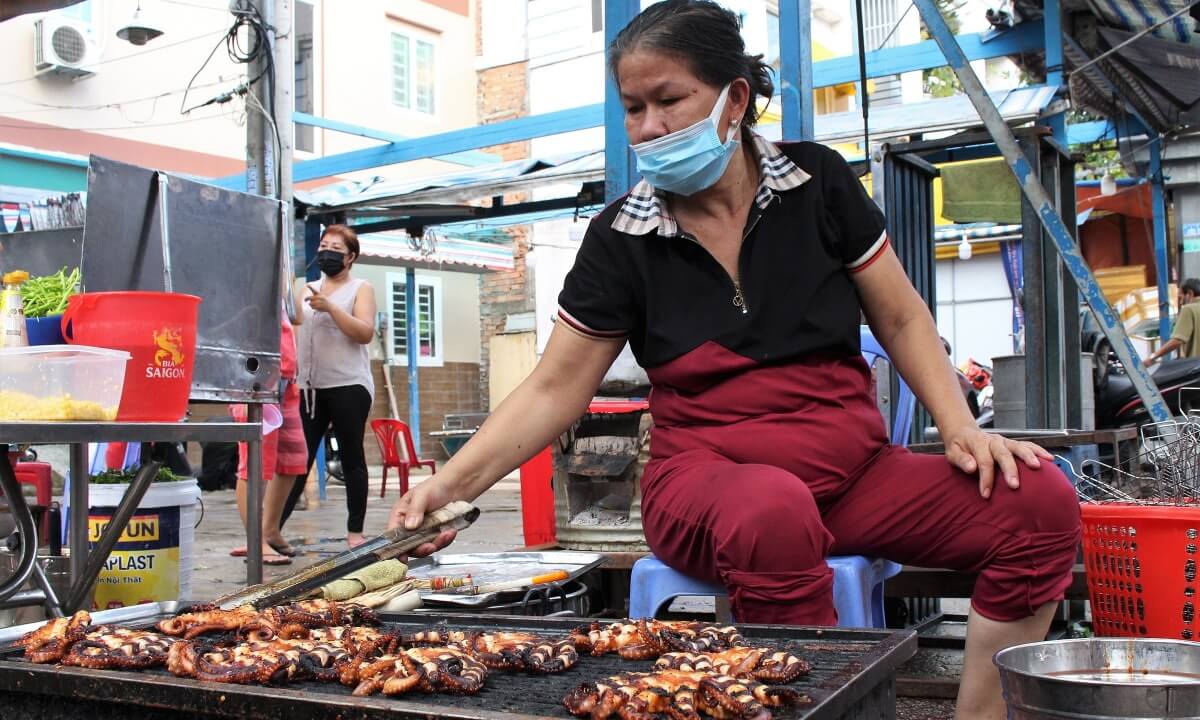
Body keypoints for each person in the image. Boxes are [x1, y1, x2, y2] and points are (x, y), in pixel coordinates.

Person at [388, 3, 1080, 718]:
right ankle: (820, 706)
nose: (650, 126)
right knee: (770, 507)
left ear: (735, 99)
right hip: (708, 491)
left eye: (669, 100)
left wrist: (960, 427)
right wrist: (450, 483)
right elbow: (553, 391)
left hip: (856, 479)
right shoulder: (620, 239)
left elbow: (901, 315)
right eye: (634, 108)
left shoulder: (820, 186)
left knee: (1039, 501)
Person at [283, 224, 377, 548]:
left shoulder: (360, 288)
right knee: (298, 459)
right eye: (324, 245)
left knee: (352, 457)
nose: (327, 252)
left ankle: (355, 532)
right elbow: (292, 327)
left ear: (350, 257)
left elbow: (365, 332)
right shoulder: (306, 288)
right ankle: (271, 533)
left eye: (336, 248)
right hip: (310, 388)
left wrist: (332, 308)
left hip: (349, 384)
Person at [229, 310, 307, 565]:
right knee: (255, 463)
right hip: (256, 376)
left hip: (286, 380)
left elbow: (297, 315)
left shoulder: (281, 278)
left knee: (294, 458)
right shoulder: (249, 277)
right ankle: (256, 541)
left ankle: (270, 530)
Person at [1143, 278, 1200, 365]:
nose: (1181, 303)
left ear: (1190, 294)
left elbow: (1178, 340)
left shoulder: (1189, 309)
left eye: (1181, 298)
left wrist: (1153, 357)